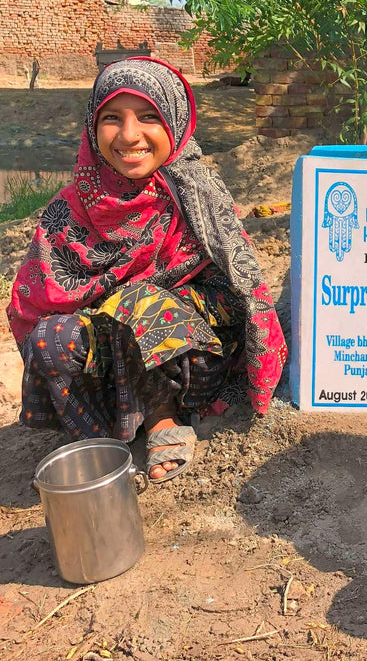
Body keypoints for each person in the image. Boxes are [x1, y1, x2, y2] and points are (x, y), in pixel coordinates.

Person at [7, 57, 287, 483]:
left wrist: (140, 301)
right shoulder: (69, 209)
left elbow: (244, 293)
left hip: (191, 363)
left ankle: (162, 418)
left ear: (173, 125)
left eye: (149, 117)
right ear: (92, 125)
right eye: (112, 118)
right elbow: (35, 308)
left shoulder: (196, 194)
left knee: (135, 298)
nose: (129, 135)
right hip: (111, 368)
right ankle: (101, 442)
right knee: (50, 338)